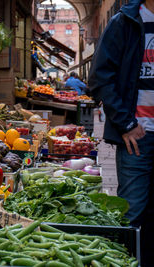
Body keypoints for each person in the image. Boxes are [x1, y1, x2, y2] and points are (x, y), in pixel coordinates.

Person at [88, 0, 154, 265]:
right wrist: (126, 123)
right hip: (138, 138)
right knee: (133, 213)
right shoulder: (124, 22)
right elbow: (100, 78)